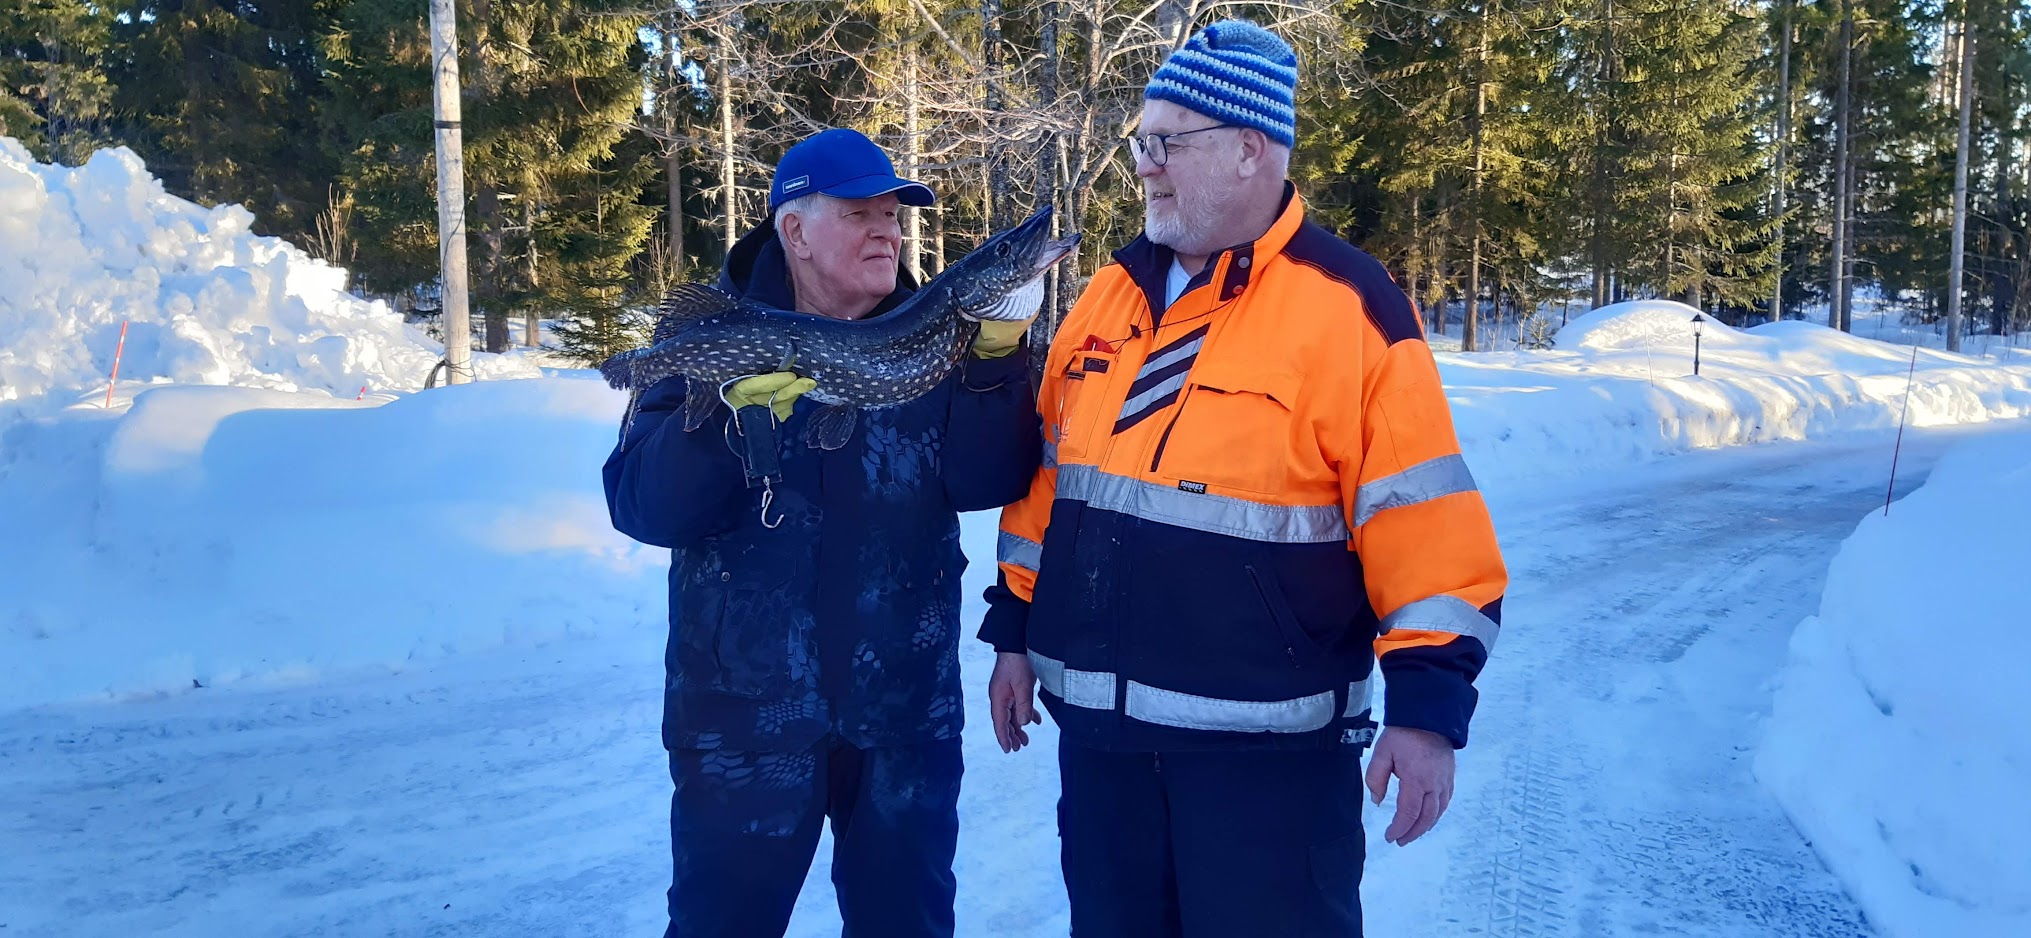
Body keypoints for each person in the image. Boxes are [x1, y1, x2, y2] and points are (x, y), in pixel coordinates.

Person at [978, 20, 1510, 936]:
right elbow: (1051, 489)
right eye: (1138, 142)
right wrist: (1014, 629)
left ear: (1248, 150)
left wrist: (1426, 714)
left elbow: (1424, 526)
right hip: (1103, 755)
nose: (1142, 164)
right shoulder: (1109, 296)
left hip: (1266, 763)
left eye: (1165, 142)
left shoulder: (1350, 309)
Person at [603, 126, 1042, 938]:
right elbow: (642, 507)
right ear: (794, 231)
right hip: (742, 714)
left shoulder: (933, 336)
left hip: (904, 714)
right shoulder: (709, 336)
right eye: (860, 213)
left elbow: (989, 481)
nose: (888, 229)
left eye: (893, 214)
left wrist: (996, 362)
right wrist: (720, 425)